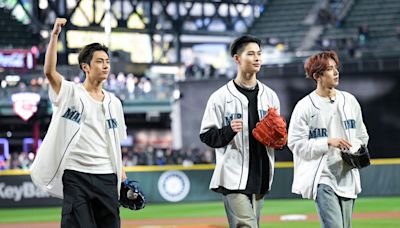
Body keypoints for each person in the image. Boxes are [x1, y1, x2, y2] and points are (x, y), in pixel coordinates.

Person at [30, 18, 128, 227]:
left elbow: (115, 143)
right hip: (76, 174)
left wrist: (123, 177)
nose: (105, 65)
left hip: (107, 175)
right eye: (100, 61)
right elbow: (49, 71)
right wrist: (55, 34)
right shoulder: (70, 92)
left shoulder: (115, 102)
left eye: (107, 61)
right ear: (85, 66)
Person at [199, 35, 281, 227]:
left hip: (261, 174)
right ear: (237, 59)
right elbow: (206, 135)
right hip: (233, 176)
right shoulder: (220, 97)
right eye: (250, 54)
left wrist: (279, 139)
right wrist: (228, 131)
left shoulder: (270, 96)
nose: (257, 58)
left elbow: (278, 138)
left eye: (259, 54)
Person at [287, 50, 369, 228]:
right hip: (322, 176)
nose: (336, 72)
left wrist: (356, 148)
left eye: (336, 68)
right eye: (330, 69)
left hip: (347, 174)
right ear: (317, 75)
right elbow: (295, 144)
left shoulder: (350, 101)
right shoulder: (305, 106)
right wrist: (327, 142)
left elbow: (362, 135)